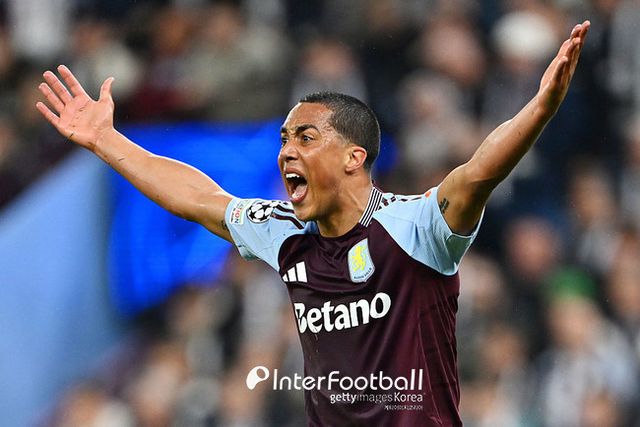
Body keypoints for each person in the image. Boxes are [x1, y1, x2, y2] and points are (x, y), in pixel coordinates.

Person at [36, 21, 590, 427]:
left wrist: (541, 107)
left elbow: (478, 173)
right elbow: (198, 199)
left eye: (305, 138)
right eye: (284, 140)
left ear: (353, 157)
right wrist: (106, 139)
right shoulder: (283, 231)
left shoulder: (417, 225)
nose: (286, 152)